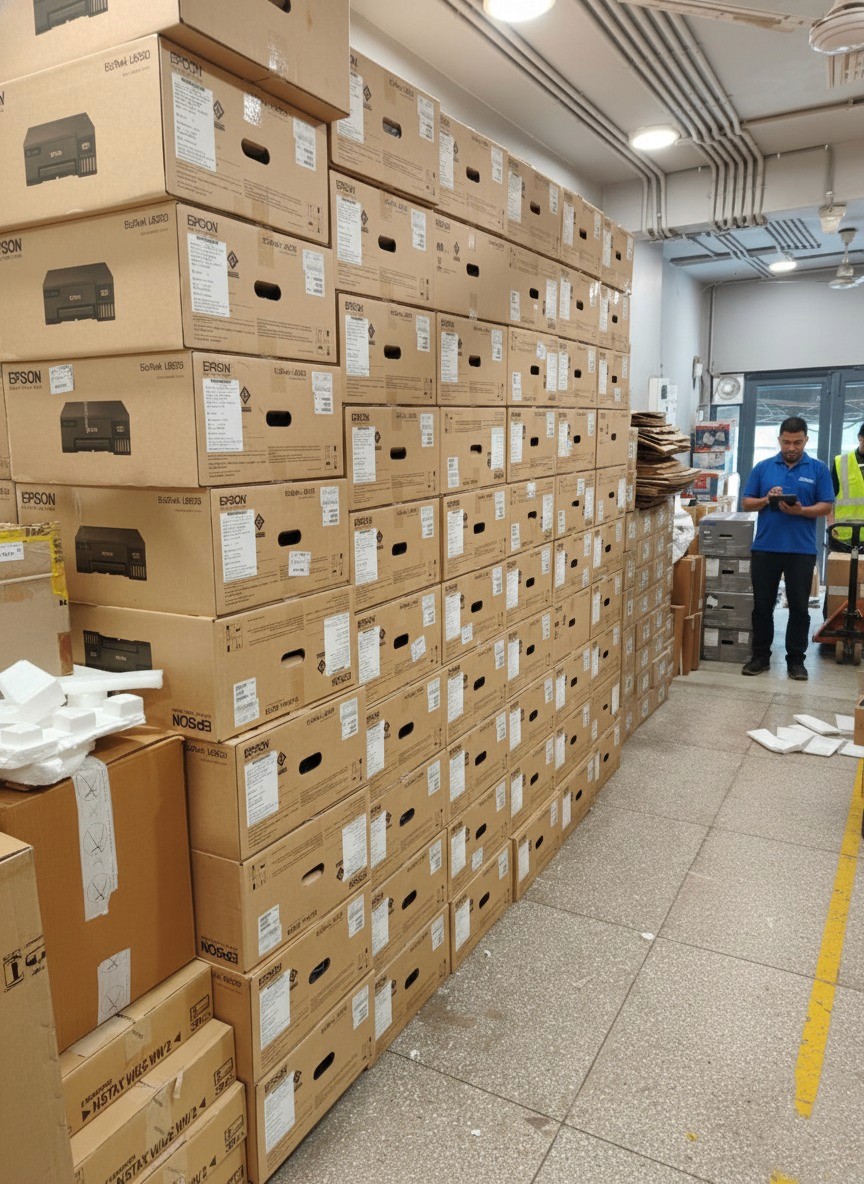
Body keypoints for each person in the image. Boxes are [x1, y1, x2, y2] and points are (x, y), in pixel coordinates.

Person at [740, 416, 834, 680]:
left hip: (801, 551)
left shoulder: (818, 469)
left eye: (797, 442)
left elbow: (826, 506)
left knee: (800, 609)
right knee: (762, 607)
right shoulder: (763, 468)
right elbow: (746, 503)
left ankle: (796, 661)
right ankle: (760, 657)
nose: (791, 447)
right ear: (779, 440)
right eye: (786, 442)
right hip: (765, 549)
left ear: (806, 440)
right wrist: (766, 499)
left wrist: (801, 510)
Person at [828, 424, 864, 553]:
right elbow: (828, 497)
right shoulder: (841, 462)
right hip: (843, 535)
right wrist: (831, 524)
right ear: (860, 437)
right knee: (840, 566)